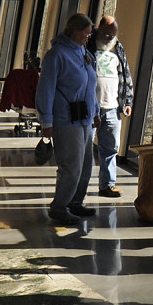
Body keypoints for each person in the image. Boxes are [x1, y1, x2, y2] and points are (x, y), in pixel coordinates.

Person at [35, 13, 97, 226]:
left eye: (90, 34)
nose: (88, 37)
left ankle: (75, 202)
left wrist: (95, 111)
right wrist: (47, 121)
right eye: (85, 33)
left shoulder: (85, 53)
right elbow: (46, 89)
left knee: (86, 165)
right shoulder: (56, 55)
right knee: (71, 166)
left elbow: (91, 86)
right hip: (65, 119)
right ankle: (59, 207)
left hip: (85, 119)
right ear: (73, 30)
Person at [86, 15, 133, 199]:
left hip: (113, 107)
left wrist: (127, 101)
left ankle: (107, 185)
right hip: (90, 108)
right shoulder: (87, 46)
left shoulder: (117, 49)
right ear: (99, 29)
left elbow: (126, 75)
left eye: (112, 35)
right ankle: (79, 190)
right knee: (85, 149)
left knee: (110, 148)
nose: (109, 38)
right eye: (106, 34)